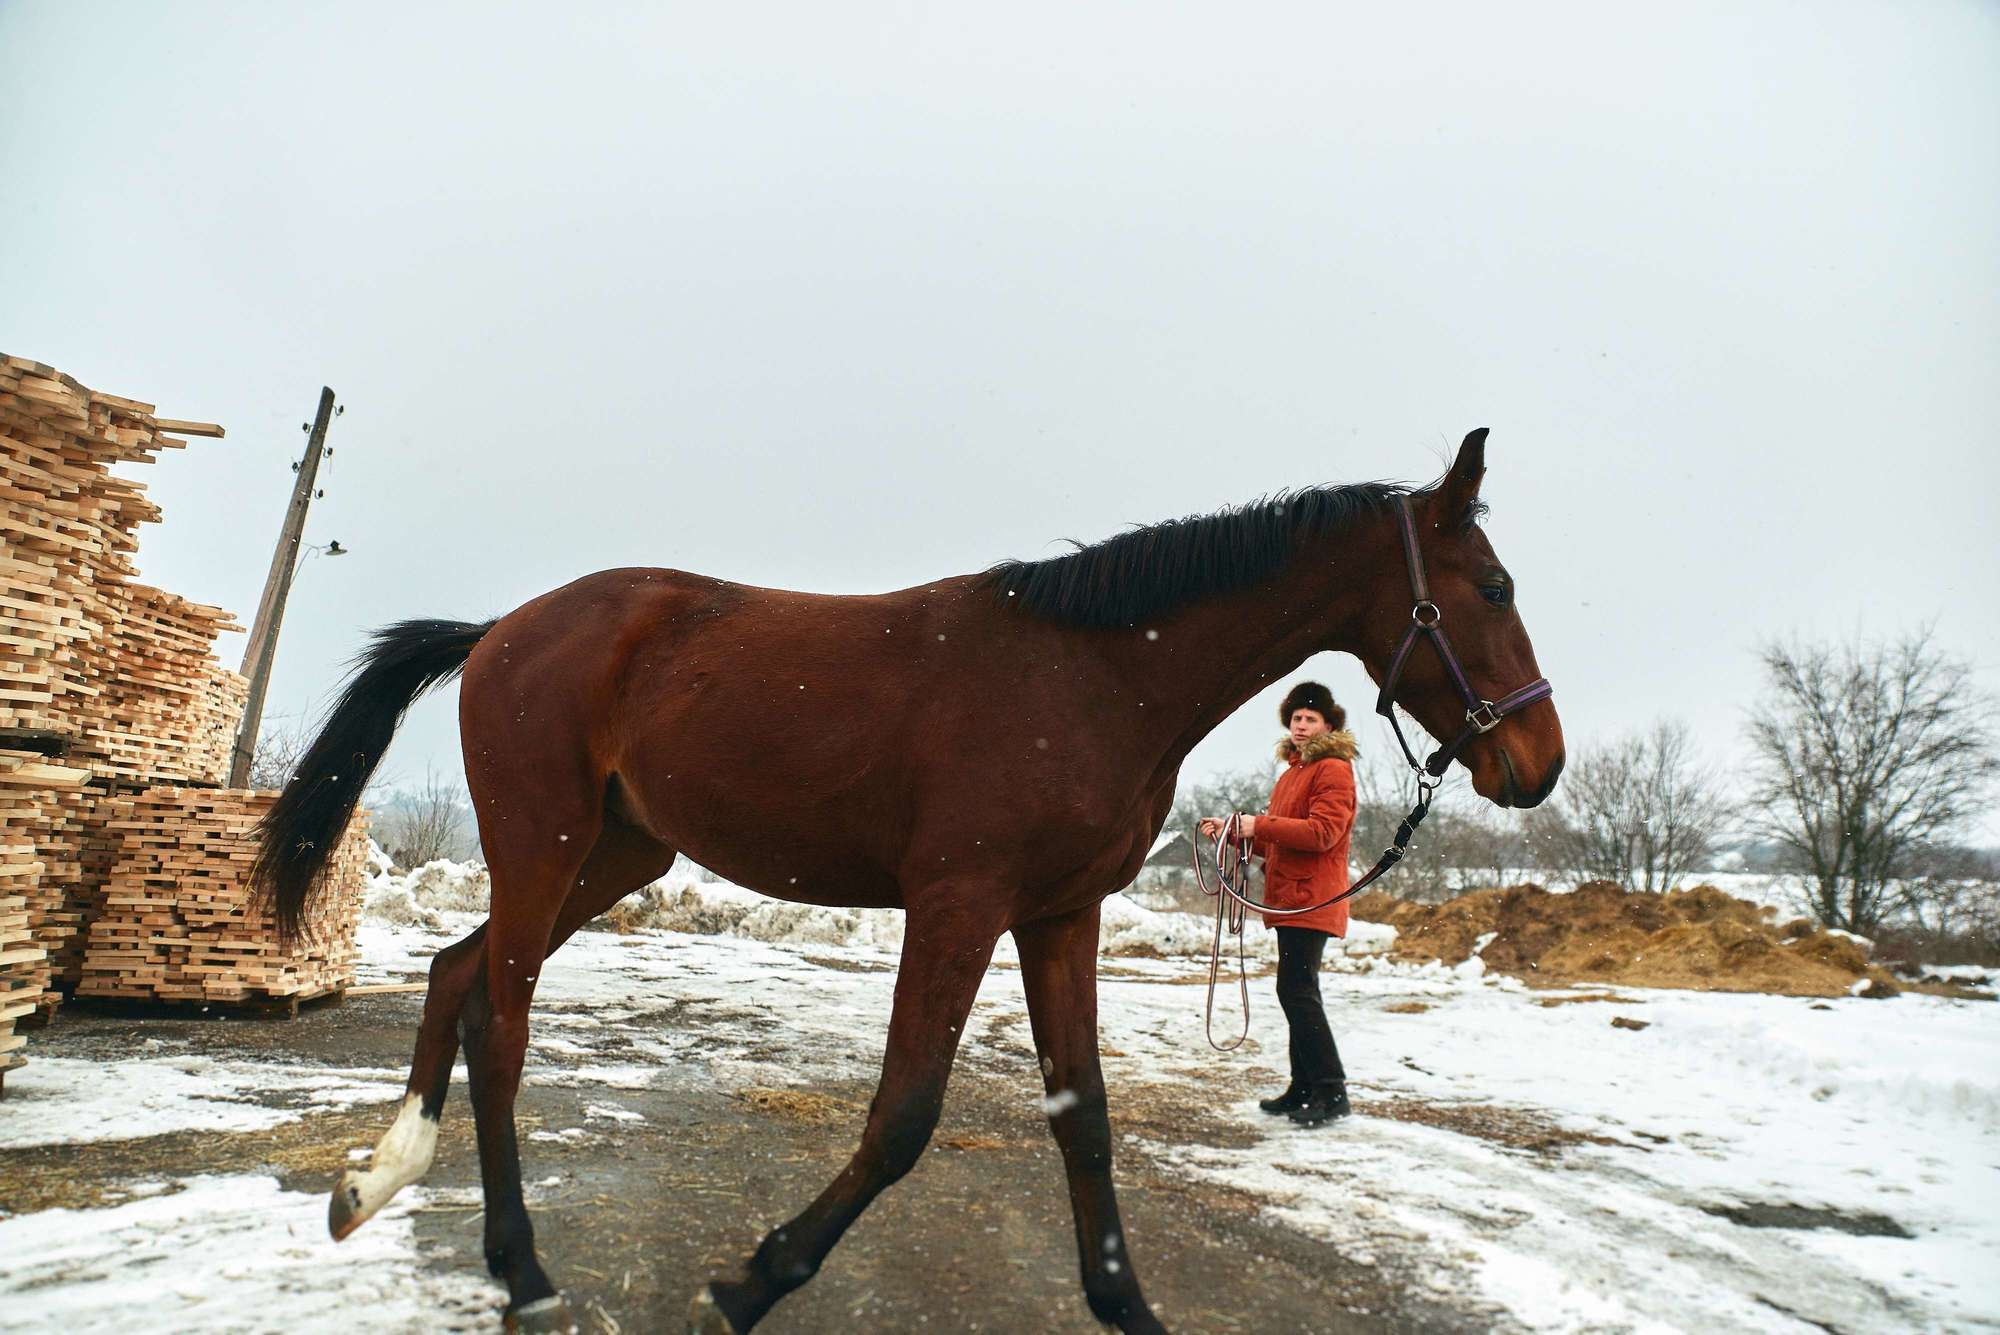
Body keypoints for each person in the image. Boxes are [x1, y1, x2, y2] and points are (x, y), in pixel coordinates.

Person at [1200, 681, 1358, 1127]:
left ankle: (1331, 1091)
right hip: (1291, 897)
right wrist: (1235, 831)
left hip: (1313, 897)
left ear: (1329, 725)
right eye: (1296, 719)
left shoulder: (1333, 769)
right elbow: (1278, 840)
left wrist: (1258, 825)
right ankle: (1304, 1088)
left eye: (1310, 719)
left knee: (1298, 992)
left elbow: (1321, 833)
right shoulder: (1292, 774)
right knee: (1296, 991)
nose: (1301, 725)